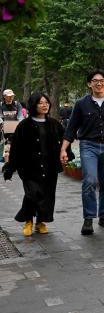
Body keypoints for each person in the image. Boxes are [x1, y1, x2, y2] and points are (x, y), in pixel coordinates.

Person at [60, 70, 104, 236]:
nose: (98, 83)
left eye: (101, 80)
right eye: (94, 80)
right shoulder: (81, 104)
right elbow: (71, 129)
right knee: (89, 180)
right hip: (88, 146)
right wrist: (63, 148)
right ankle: (89, 218)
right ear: (89, 84)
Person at [2, 93, 70, 236]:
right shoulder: (24, 125)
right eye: (41, 103)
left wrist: (66, 153)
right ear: (34, 105)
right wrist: (10, 168)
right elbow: (16, 148)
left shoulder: (54, 123)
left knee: (47, 195)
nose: (45, 105)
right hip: (29, 167)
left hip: (50, 166)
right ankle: (28, 221)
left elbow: (65, 139)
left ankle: (40, 222)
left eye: (46, 102)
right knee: (33, 194)